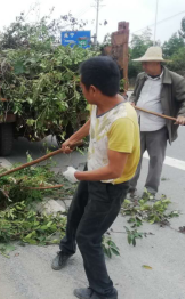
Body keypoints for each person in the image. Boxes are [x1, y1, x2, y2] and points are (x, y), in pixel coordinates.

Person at [51, 56, 140, 299]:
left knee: (88, 237)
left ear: (92, 89)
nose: (81, 90)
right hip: (93, 173)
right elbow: (92, 123)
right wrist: (73, 139)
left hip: (110, 186)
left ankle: (104, 291)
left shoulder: (122, 121)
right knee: (74, 215)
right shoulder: (100, 103)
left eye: (81, 86)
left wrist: (76, 174)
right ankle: (65, 250)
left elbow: (115, 171)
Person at [129, 47, 185, 199]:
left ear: (157, 63)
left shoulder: (176, 79)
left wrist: (183, 115)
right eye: (143, 63)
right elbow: (134, 95)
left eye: (146, 63)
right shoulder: (141, 77)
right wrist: (131, 102)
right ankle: (128, 187)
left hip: (158, 128)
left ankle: (150, 190)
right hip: (138, 125)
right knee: (133, 159)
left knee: (156, 161)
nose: (143, 66)